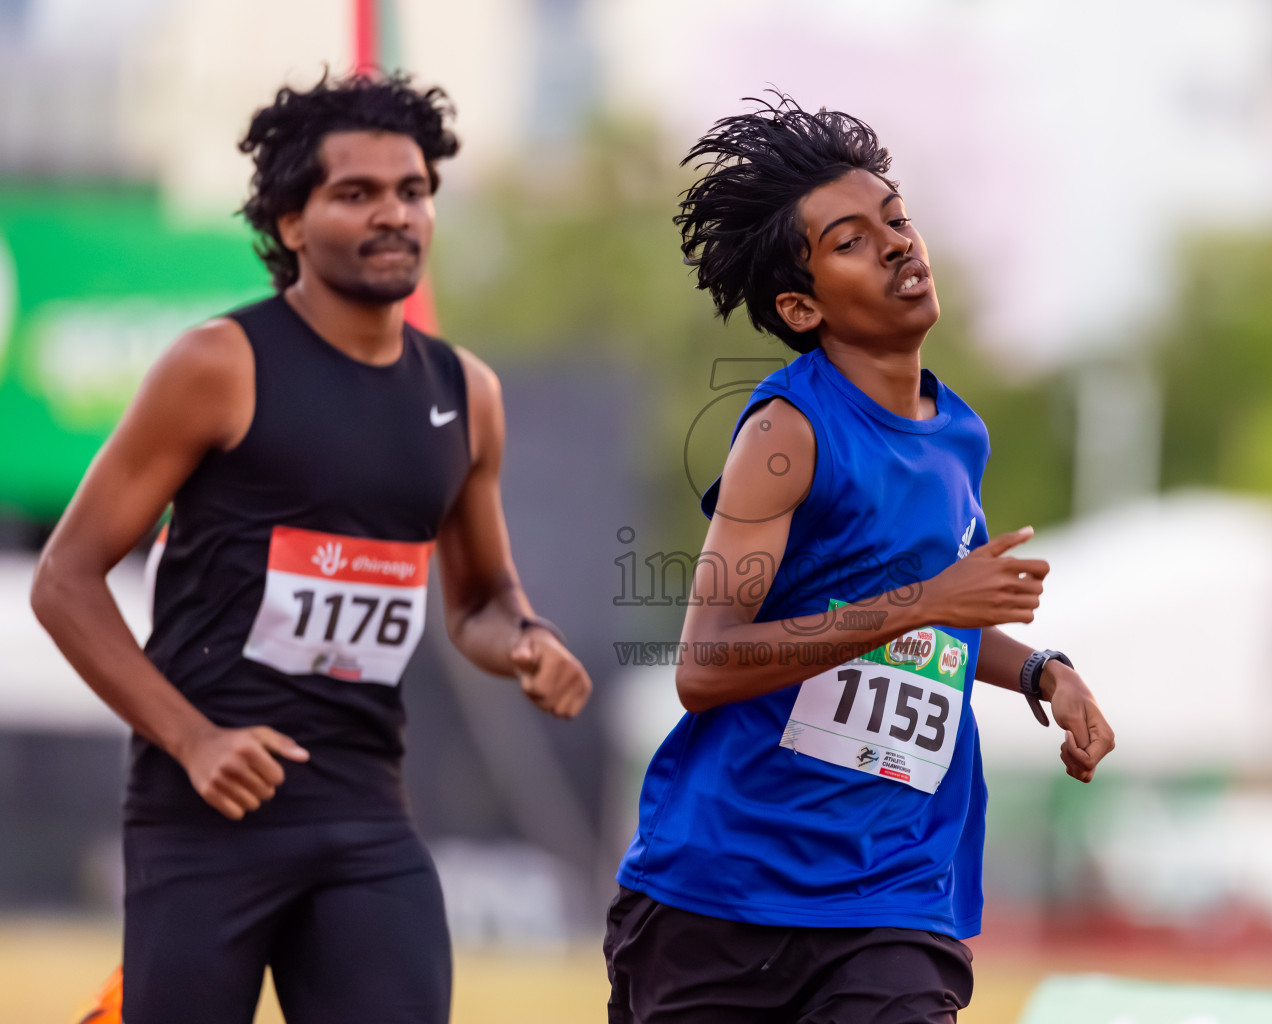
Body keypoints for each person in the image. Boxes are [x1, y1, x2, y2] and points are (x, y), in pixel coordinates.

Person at [31, 72, 593, 1024]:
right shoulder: (218, 366)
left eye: (412, 192)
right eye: (357, 193)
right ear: (292, 222)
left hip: (367, 816)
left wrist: (527, 640)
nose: (394, 215)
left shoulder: (467, 395)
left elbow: (480, 602)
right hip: (205, 818)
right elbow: (64, 581)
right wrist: (193, 739)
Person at [605, 95, 1117, 1023]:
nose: (895, 244)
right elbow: (705, 665)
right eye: (851, 240)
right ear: (801, 305)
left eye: (897, 218)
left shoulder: (958, 433)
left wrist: (1043, 671)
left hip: (895, 893)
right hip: (724, 898)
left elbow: (938, 627)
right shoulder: (782, 432)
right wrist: (926, 600)